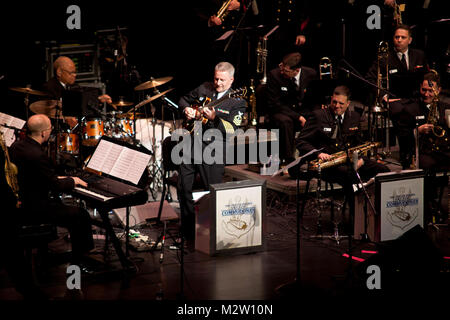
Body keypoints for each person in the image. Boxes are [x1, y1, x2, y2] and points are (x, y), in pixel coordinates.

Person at [9, 114, 95, 271]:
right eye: (50, 129)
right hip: (34, 207)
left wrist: (60, 177)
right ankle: (79, 261)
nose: (51, 131)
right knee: (80, 215)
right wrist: (72, 181)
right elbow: (54, 185)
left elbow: (37, 175)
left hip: (21, 200)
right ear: (43, 133)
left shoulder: (17, 146)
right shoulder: (38, 155)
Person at [177, 61, 247, 240]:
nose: (218, 83)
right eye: (216, 79)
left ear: (231, 80)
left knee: (213, 191)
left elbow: (233, 129)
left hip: (215, 148)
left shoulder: (237, 101)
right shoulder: (204, 88)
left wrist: (215, 118)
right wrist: (186, 109)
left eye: (222, 80)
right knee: (183, 187)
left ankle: (215, 232)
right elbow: (183, 99)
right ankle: (189, 231)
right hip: (192, 143)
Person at [296, 85, 390, 217]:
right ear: (331, 100)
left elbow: (359, 144)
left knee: (384, 171)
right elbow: (301, 141)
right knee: (350, 175)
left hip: (351, 160)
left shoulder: (354, 117)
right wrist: (318, 153)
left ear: (348, 104)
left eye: (341, 103)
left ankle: (380, 214)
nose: (337, 106)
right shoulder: (318, 116)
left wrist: (360, 159)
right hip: (328, 165)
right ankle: (355, 219)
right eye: (334, 102)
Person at [391, 71, 450, 170]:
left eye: (430, 91)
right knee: (428, 164)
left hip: (441, 150)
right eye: (424, 90)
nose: (426, 94)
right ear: (420, 87)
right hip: (421, 152)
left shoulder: (446, 108)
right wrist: (417, 131)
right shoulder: (410, 109)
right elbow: (402, 135)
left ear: (438, 90)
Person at [265, 52, 317, 163]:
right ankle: (288, 160)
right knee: (286, 122)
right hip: (281, 111)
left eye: (286, 71)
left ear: (296, 70)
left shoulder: (311, 74)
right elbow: (275, 104)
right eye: (281, 67)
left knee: (318, 117)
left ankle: (313, 156)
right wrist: (298, 117)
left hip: (303, 109)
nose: (282, 71)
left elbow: (314, 98)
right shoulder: (274, 75)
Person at [366, 24, 428, 100]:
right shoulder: (384, 58)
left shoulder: (419, 55)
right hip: (394, 100)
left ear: (410, 40)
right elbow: (370, 78)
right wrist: (383, 95)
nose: (399, 40)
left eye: (403, 37)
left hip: (417, 98)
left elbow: (427, 76)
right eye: (397, 37)